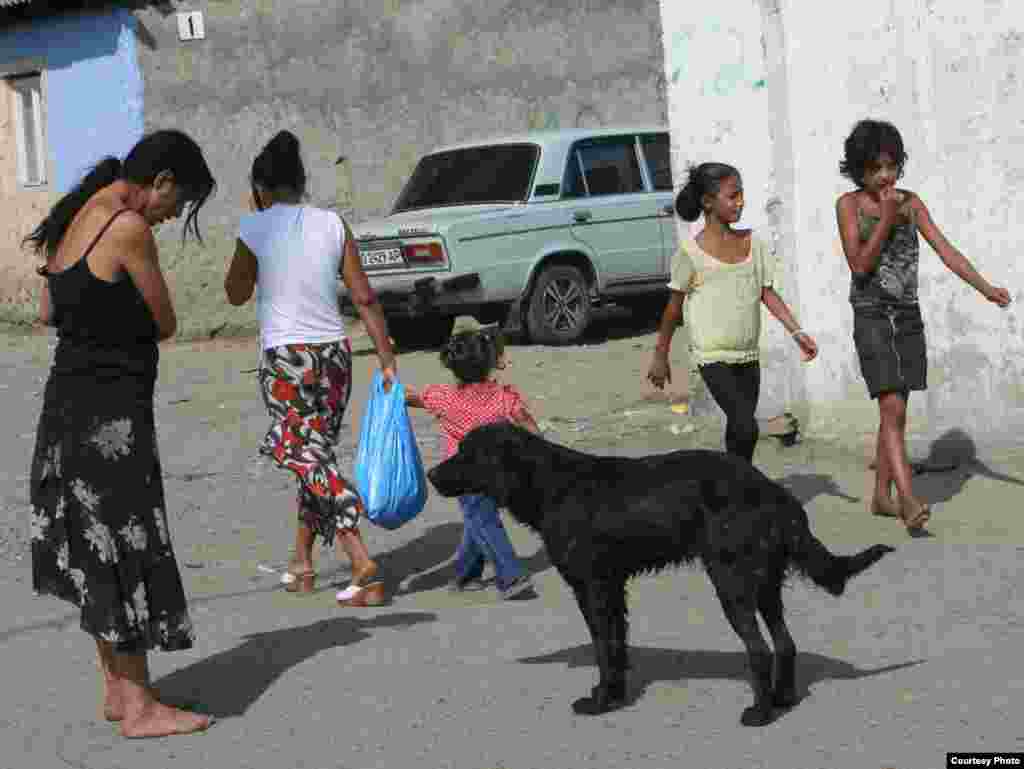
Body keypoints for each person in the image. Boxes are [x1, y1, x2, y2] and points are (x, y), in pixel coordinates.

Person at [25, 130, 216, 738]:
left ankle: (117, 690)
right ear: (160, 182)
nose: (171, 217)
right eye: (178, 204)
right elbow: (165, 321)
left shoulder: (79, 211)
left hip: (66, 410)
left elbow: (48, 313)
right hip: (112, 416)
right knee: (125, 541)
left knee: (92, 545)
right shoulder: (127, 228)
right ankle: (138, 707)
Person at [224, 130, 395, 606]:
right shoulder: (332, 223)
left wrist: (255, 236)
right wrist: (385, 357)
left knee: (302, 451)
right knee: (313, 454)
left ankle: (361, 560)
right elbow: (363, 296)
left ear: (260, 185)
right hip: (335, 357)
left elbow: (234, 293)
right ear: (301, 182)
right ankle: (302, 563)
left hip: (285, 359)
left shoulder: (255, 227)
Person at [835, 119, 1011, 533]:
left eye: (891, 166)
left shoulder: (911, 204)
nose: (885, 176)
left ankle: (881, 496)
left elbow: (945, 248)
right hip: (872, 312)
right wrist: (885, 220)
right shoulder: (849, 205)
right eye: (875, 168)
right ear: (858, 170)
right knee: (891, 405)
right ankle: (908, 498)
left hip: (907, 314)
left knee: (896, 407)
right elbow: (859, 265)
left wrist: (985, 287)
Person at [647, 162, 818, 463]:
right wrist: (660, 355)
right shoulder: (690, 254)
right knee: (745, 425)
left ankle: (734, 490)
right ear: (708, 202)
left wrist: (797, 332)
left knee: (740, 430)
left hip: (747, 354)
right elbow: (673, 309)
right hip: (712, 357)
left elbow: (766, 293)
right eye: (732, 195)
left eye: (742, 195)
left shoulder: (753, 244)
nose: (740, 202)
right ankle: (742, 491)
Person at [405, 317, 539, 600]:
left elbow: (414, 398)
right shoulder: (503, 397)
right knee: (479, 518)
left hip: (465, 473)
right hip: (502, 469)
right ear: (490, 362)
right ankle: (470, 575)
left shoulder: (445, 398)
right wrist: (537, 453)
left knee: (482, 519)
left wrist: (390, 390)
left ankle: (510, 575)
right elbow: (527, 423)